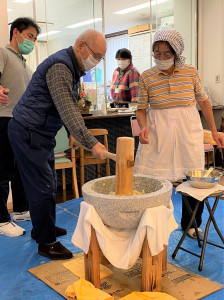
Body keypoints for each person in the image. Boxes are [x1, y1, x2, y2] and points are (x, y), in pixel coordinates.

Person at [8, 29, 107, 260]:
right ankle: (46, 242)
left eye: (101, 57)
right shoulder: (61, 67)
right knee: (41, 187)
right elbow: (68, 109)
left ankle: (43, 228)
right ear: (81, 45)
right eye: (97, 55)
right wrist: (91, 142)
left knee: (49, 182)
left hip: (41, 133)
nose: (97, 61)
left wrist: (73, 133)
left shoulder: (74, 67)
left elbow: (64, 104)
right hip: (28, 131)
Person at [134, 29, 224, 239]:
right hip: (158, 131)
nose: (161, 58)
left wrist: (214, 130)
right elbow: (140, 109)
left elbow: (204, 102)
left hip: (187, 131)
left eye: (166, 54)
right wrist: (143, 126)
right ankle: (152, 222)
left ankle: (191, 224)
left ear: (176, 52)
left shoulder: (190, 72)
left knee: (194, 178)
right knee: (153, 177)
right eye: (157, 53)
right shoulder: (147, 76)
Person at [0, 17, 40, 237]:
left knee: (19, 168)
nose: (32, 42)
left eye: (34, 39)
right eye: (29, 36)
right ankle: (1, 220)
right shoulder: (3, 53)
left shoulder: (24, 63)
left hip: (21, 121)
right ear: (16, 33)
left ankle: (22, 210)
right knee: (3, 169)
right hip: (3, 118)